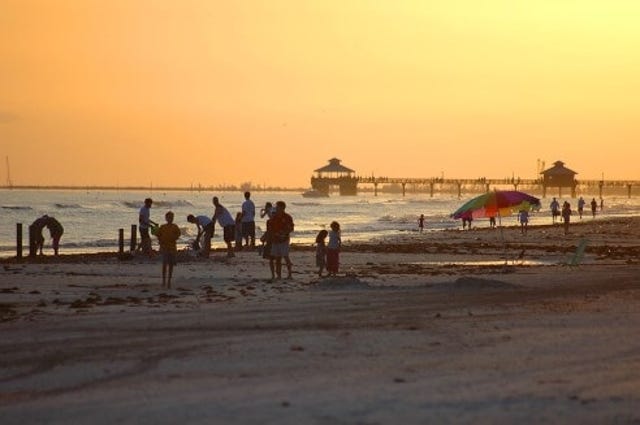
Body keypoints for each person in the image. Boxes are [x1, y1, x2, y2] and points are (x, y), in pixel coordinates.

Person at [156, 211, 181, 289]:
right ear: (166, 218)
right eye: (169, 217)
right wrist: (160, 241)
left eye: (172, 217)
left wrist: (174, 237)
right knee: (164, 264)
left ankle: (169, 281)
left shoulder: (175, 226)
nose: (170, 219)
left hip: (172, 248)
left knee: (171, 265)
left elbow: (178, 234)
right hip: (164, 248)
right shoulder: (162, 227)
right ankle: (163, 281)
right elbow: (158, 235)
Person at [270, 201, 294, 279]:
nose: (276, 209)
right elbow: (271, 228)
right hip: (275, 240)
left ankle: (289, 274)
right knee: (277, 258)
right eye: (276, 207)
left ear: (282, 208)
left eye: (277, 207)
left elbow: (291, 228)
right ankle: (278, 275)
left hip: (284, 240)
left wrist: (283, 233)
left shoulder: (287, 217)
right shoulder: (274, 217)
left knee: (286, 256)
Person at [260, 216, 275, 280]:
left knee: (273, 260)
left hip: (272, 246)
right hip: (270, 246)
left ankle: (274, 274)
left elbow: (262, 239)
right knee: (273, 260)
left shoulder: (270, 232)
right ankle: (274, 274)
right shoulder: (269, 232)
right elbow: (262, 239)